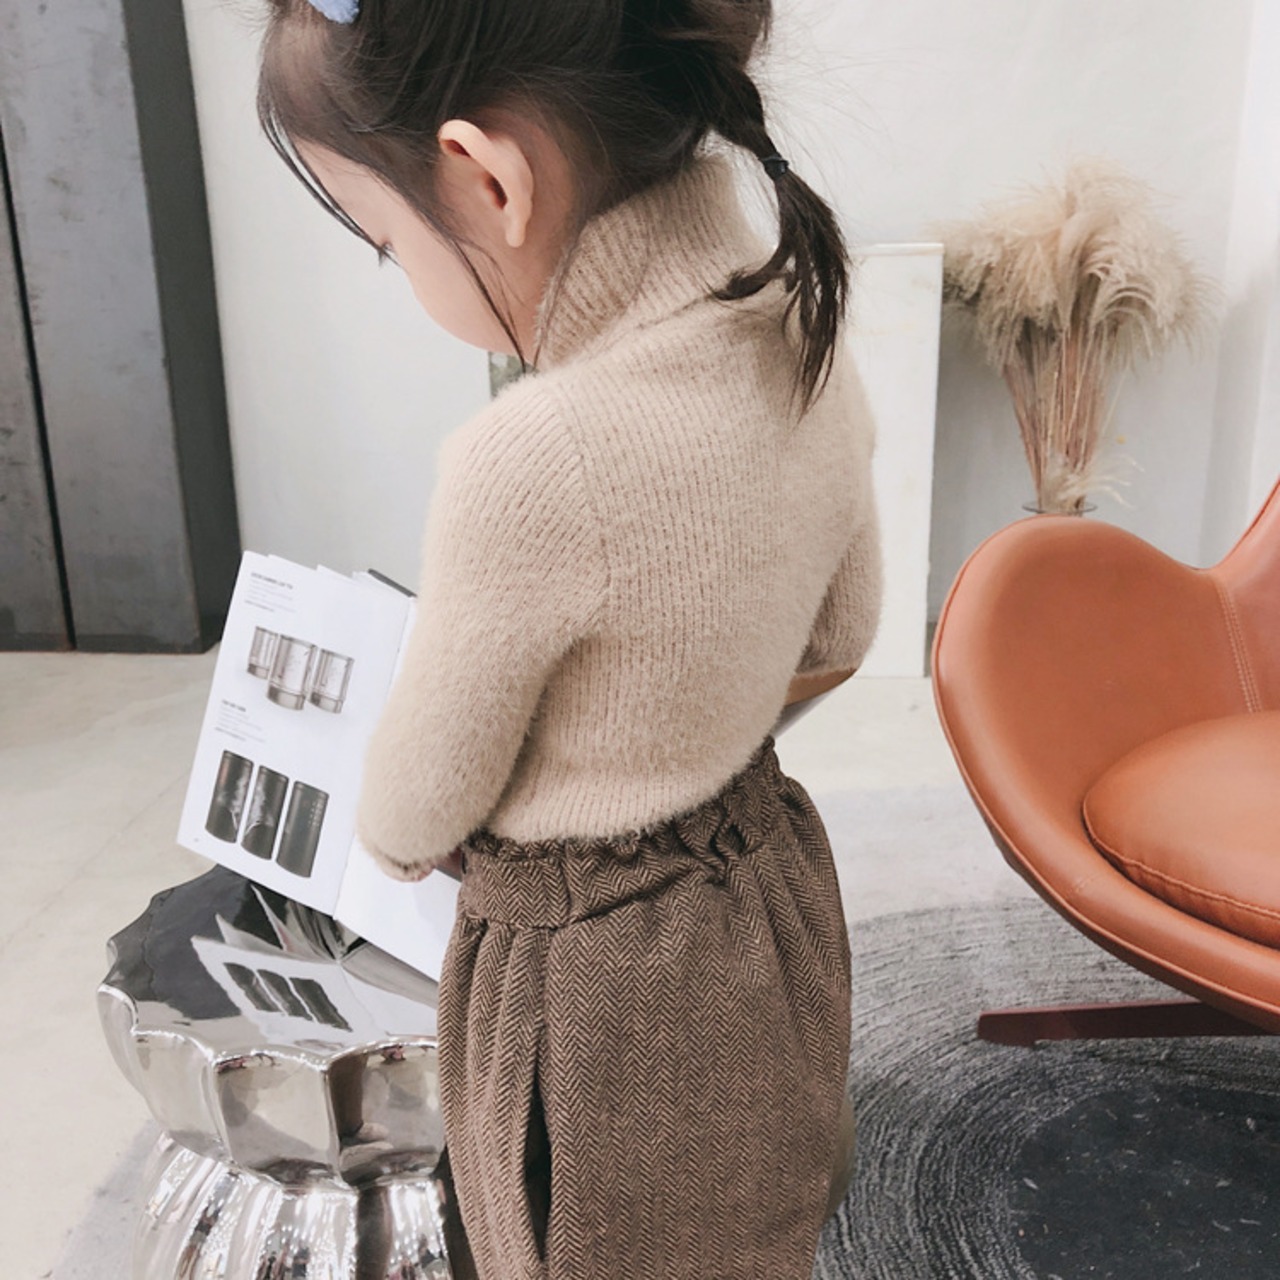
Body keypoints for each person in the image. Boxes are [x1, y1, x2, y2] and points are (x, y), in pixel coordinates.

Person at [256, 0, 883, 1276]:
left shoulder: (532, 457)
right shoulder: (798, 319)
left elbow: (412, 811)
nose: (401, 270)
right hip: (763, 895)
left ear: (484, 179)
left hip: (597, 984)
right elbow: (843, 625)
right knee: (760, 1221)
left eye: (386, 242)